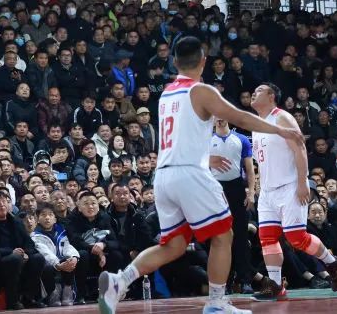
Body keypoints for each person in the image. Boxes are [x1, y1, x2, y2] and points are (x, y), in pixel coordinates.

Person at [97, 36, 305, 314]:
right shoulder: (200, 91)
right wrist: (280, 130)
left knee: (173, 245)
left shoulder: (166, 93)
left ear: (174, 62)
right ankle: (217, 302)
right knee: (224, 235)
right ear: (204, 61)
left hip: (163, 177)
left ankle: (119, 280)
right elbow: (240, 117)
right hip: (190, 174)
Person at [249, 83, 337, 300]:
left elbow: (300, 149)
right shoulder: (255, 124)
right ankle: (276, 286)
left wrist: (303, 182)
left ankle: (332, 265)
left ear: (271, 96)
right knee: (267, 238)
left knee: (296, 238)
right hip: (268, 191)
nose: (254, 93)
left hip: (290, 186)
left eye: (259, 90)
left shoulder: (282, 117)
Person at [208, 117, 258, 294]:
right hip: (215, 189)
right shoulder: (206, 140)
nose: (219, 118)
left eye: (222, 115)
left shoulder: (241, 139)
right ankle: (224, 282)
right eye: (215, 115)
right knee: (220, 237)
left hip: (236, 188)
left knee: (241, 236)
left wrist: (251, 192)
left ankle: (245, 280)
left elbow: (249, 169)